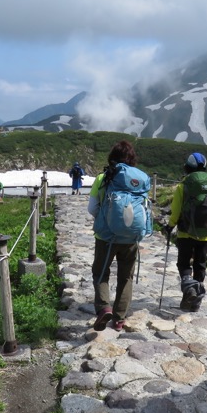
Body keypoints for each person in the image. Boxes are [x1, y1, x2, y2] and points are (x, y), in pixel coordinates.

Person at [87, 140, 148, 331]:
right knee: (126, 277)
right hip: (132, 237)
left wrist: (107, 220)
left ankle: (104, 307)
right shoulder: (141, 179)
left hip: (106, 237)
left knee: (100, 272)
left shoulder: (104, 178)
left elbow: (92, 208)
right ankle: (120, 318)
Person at [164, 152, 207, 312]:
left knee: (184, 262)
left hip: (186, 231)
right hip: (206, 231)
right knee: (200, 264)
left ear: (187, 167)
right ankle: (196, 302)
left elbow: (176, 209)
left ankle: (189, 289)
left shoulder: (184, 185)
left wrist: (170, 225)